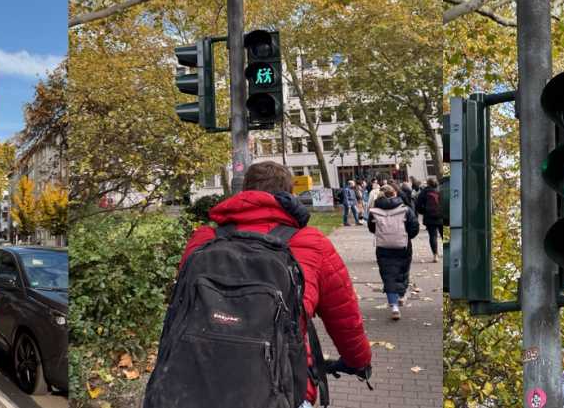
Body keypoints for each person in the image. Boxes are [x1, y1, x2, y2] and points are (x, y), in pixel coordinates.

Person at [177, 161, 372, 407]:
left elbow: (179, 305)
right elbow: (344, 317)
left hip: (197, 384)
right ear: (289, 194)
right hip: (282, 385)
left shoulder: (204, 239)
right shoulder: (312, 243)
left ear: (245, 191)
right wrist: (358, 361)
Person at [367, 185, 419, 320]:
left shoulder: (374, 211)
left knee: (387, 275)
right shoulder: (405, 210)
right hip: (403, 246)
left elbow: (371, 228)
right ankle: (401, 295)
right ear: (395, 194)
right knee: (402, 271)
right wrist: (406, 237)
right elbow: (414, 227)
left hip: (383, 247)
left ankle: (394, 306)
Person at [417, 177, 444, 263]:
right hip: (441, 216)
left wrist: (424, 212)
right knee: (444, 234)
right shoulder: (440, 190)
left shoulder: (423, 192)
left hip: (429, 217)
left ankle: (435, 255)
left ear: (428, 183)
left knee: (433, 236)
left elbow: (418, 206)